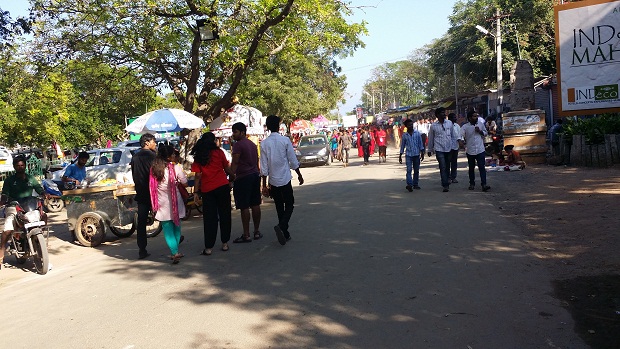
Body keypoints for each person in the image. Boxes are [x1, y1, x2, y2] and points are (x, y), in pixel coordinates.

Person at [260, 115, 304, 246]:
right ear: (279, 127)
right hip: (285, 178)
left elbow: (264, 167)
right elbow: (293, 160)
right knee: (289, 204)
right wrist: (299, 174)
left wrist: (264, 185)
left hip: (273, 180)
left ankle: (285, 232)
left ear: (267, 127)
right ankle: (282, 226)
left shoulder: (264, 143)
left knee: (279, 206)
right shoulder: (285, 141)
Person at [0, 156, 49, 269]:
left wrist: (44, 193)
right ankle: (1, 252)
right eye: (18, 166)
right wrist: (3, 200)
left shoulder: (30, 178)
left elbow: (38, 188)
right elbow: (5, 193)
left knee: (44, 215)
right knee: (8, 229)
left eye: (22, 165)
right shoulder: (9, 180)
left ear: (25, 166)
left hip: (29, 206)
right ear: (14, 167)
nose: (20, 167)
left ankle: (38, 237)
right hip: (14, 206)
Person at [191, 132, 235, 255]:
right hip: (222, 186)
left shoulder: (199, 156)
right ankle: (225, 243)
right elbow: (227, 169)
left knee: (210, 219)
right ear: (213, 141)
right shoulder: (219, 152)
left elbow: (198, 176)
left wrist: (195, 192)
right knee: (225, 215)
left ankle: (209, 247)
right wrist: (233, 177)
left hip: (207, 190)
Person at [149, 144, 187, 264]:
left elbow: (151, 186)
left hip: (161, 203)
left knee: (167, 230)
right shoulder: (176, 168)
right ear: (170, 156)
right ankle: (175, 252)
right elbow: (185, 183)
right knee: (177, 226)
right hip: (176, 202)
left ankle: (174, 252)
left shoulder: (154, 169)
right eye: (173, 154)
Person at [230, 122, 262, 243]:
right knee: (255, 204)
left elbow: (235, 162)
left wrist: (231, 177)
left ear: (242, 132)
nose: (233, 135)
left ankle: (246, 234)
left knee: (244, 206)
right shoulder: (252, 144)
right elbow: (257, 160)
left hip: (243, 177)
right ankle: (257, 231)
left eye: (235, 132)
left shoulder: (238, 145)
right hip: (254, 175)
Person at [130, 133, 157, 259]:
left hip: (141, 193)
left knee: (141, 222)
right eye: (153, 141)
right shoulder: (153, 156)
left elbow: (134, 175)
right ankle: (175, 239)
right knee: (166, 216)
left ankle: (142, 249)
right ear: (147, 142)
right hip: (154, 192)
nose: (155, 144)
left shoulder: (135, 157)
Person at [427, 107, 457, 192]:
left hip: (449, 148)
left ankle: (447, 179)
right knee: (442, 166)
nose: (444, 114)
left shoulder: (449, 123)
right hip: (439, 148)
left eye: (444, 112)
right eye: (442, 113)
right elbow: (431, 138)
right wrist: (430, 149)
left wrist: (454, 147)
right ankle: (445, 184)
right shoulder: (433, 126)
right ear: (437, 115)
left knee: (447, 166)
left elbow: (453, 136)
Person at [460, 110, 491, 192]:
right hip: (470, 150)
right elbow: (461, 135)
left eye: (477, 116)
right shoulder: (465, 127)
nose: (476, 118)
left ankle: (484, 184)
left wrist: (480, 131)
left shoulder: (480, 124)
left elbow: (485, 133)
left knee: (482, 167)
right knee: (471, 168)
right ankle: (472, 183)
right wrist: (462, 142)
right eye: (474, 116)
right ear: (470, 118)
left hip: (480, 149)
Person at [399, 119, 425, 192]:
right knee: (409, 170)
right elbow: (402, 145)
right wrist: (400, 155)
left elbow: (420, 144)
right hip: (408, 155)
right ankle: (409, 184)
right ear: (406, 126)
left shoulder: (417, 133)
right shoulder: (405, 135)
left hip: (416, 154)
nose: (411, 126)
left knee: (416, 170)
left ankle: (415, 184)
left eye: (411, 124)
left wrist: (422, 153)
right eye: (409, 125)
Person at [447, 113, 462, 184]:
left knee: (454, 163)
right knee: (447, 163)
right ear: (449, 119)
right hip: (447, 147)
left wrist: (461, 142)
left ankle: (454, 177)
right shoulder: (446, 126)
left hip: (455, 147)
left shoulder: (457, 126)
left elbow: (460, 135)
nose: (455, 118)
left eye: (455, 117)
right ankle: (448, 177)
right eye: (454, 117)